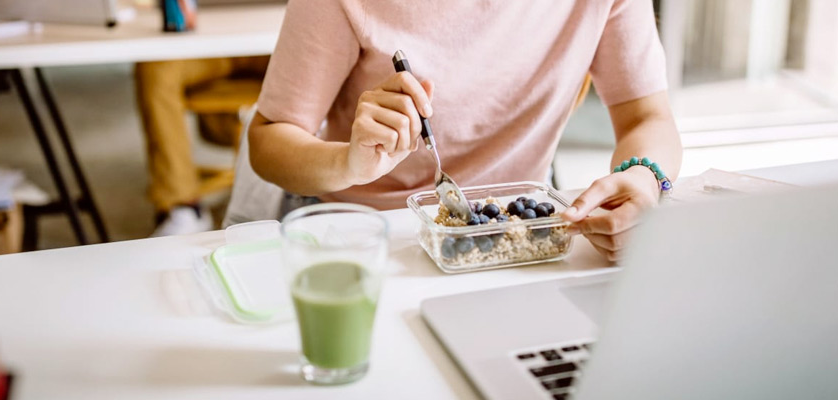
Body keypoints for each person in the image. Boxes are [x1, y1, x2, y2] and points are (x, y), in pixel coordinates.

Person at [246, 0, 683, 262]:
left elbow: (648, 119)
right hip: (364, 235)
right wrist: (346, 162)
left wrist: (644, 178)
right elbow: (268, 139)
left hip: (519, 232)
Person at [134, 56, 268, 236]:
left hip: (268, 46)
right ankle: (182, 206)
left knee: (312, 62)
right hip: (208, 53)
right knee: (154, 69)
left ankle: (299, 197)